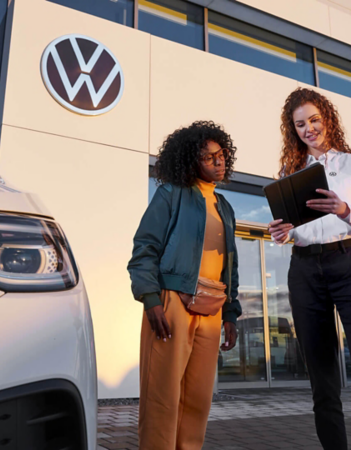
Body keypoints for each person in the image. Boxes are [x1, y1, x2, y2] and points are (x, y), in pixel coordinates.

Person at [268, 88, 351, 450]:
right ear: (292, 129)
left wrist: (343, 209)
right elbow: (296, 229)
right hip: (305, 269)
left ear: (327, 118)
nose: (308, 128)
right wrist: (283, 232)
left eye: (314, 119)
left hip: (350, 264)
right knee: (323, 383)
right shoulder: (290, 172)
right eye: (300, 124)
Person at [128, 120, 242, 449]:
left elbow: (230, 266)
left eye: (222, 155)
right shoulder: (171, 194)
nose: (218, 161)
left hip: (212, 308)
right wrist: (150, 298)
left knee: (197, 399)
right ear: (191, 161)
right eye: (209, 158)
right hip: (172, 302)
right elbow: (144, 248)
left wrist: (231, 313)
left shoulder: (226, 208)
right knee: (162, 396)